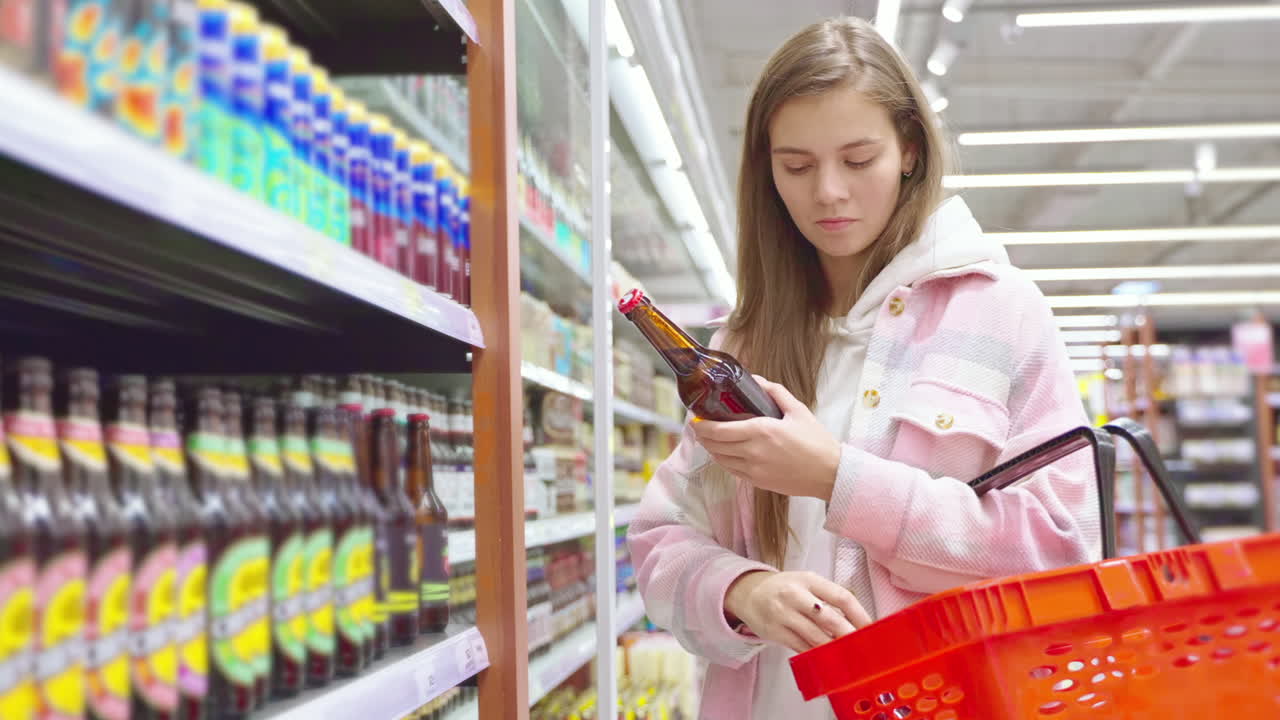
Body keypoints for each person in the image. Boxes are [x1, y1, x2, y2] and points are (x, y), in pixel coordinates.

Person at [627, 15, 1101, 720]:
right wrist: (741, 590)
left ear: (909, 150)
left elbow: (1064, 551)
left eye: (858, 160)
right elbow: (661, 537)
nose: (828, 194)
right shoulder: (745, 343)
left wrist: (838, 480)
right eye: (796, 165)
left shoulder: (1002, 314)